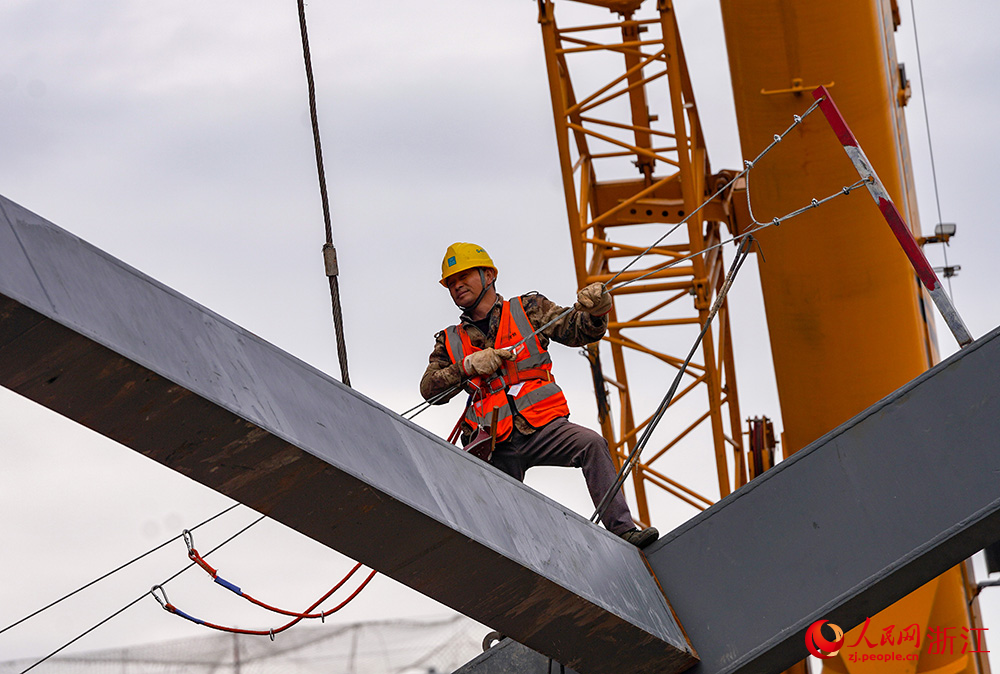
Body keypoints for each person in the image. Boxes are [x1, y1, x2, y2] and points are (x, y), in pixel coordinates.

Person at [420, 242, 659, 548]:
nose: (457, 286)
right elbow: (430, 391)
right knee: (491, 516)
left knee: (592, 445)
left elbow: (578, 330)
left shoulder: (528, 309)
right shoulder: (451, 340)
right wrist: (466, 366)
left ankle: (623, 531)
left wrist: (597, 312)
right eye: (451, 282)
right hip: (492, 444)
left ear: (489, 275)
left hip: (541, 427)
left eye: (463, 276)